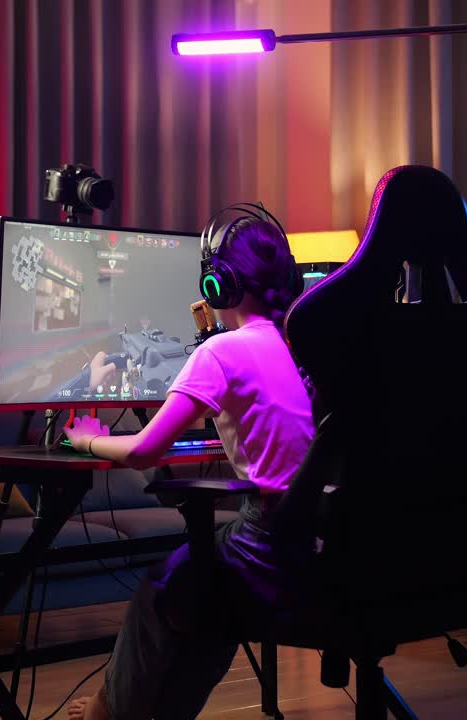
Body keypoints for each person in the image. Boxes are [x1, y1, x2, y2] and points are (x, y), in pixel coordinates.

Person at [63, 214, 315, 720]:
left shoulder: (222, 351)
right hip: (312, 540)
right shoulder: (294, 346)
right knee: (208, 609)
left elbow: (141, 453)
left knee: (160, 593)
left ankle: (105, 714)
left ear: (216, 284)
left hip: (263, 538)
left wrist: (91, 440)